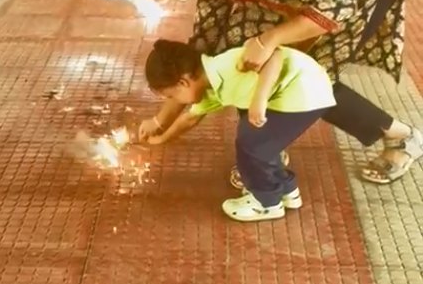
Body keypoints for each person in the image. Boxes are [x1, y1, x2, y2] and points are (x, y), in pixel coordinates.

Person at [139, 0, 423, 186]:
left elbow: (337, 6)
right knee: (236, 54)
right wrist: (161, 120)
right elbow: (201, 54)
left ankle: (404, 138)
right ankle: (267, 151)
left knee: (313, 76)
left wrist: (269, 40)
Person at [143, 39, 335, 222]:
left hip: (305, 89)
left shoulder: (226, 65)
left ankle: (266, 203)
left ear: (183, 82)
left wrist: (260, 98)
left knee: (251, 144)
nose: (177, 102)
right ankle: (286, 191)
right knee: (261, 142)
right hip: (294, 94)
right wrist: (161, 138)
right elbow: (190, 119)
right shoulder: (209, 88)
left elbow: (274, 54)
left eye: (172, 95)